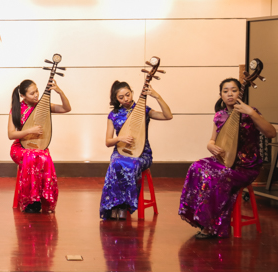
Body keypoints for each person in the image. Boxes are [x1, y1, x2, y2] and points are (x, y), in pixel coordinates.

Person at [179, 78, 276, 239]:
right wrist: (210, 145)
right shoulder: (220, 115)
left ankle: (212, 224)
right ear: (221, 95)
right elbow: (213, 140)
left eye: (234, 90)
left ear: (240, 93)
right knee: (196, 166)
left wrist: (252, 113)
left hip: (245, 167)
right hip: (223, 161)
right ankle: (198, 216)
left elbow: (271, 133)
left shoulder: (251, 112)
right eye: (225, 91)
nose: (230, 94)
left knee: (214, 176)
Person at [100, 80, 173, 220]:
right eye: (121, 97)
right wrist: (120, 138)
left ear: (132, 93)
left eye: (128, 94)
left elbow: (168, 116)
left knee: (131, 164)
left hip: (142, 153)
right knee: (115, 163)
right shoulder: (113, 114)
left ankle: (125, 206)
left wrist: (157, 96)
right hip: (120, 152)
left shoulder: (143, 110)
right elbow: (108, 142)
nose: (126, 99)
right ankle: (114, 205)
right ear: (116, 99)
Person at [8, 79, 71, 213]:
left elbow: (66, 108)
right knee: (31, 157)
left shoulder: (43, 106)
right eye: (32, 93)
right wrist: (29, 131)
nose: (36, 95)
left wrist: (59, 92)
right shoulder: (16, 109)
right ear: (23, 96)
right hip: (20, 147)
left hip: (38, 146)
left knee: (44, 157)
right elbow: (11, 134)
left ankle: (44, 199)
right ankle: (31, 201)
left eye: (36, 91)